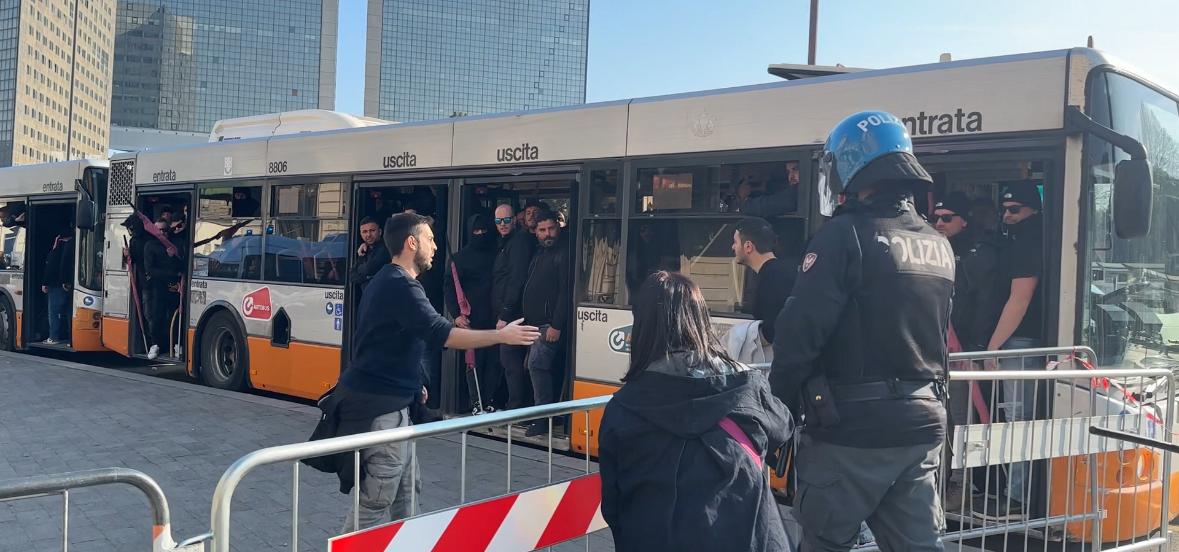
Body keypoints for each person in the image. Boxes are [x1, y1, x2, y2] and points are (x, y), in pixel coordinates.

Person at [771, 111, 953, 552]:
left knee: (825, 542)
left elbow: (801, 331)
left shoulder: (843, 236)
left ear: (850, 168)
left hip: (850, 431)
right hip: (922, 424)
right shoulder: (938, 243)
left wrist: (775, 413)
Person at [334, 212, 539, 531]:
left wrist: (417, 383)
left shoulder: (392, 281)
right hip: (381, 409)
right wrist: (501, 336)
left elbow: (392, 340)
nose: (435, 247)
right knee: (377, 500)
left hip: (395, 404)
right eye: (429, 239)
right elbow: (442, 333)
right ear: (411, 242)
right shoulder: (399, 284)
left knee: (406, 492)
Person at [599, 271, 793, 552]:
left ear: (642, 327)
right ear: (701, 320)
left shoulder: (623, 407)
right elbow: (782, 427)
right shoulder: (747, 385)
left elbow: (614, 503)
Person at [974, 183, 1044, 521]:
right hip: (1023, 341)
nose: (1006, 216)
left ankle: (1016, 500)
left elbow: (1020, 298)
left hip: (1020, 342)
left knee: (1018, 421)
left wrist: (993, 346)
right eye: (1004, 210)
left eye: (1014, 209)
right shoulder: (1030, 238)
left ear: (1033, 210)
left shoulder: (1027, 242)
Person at [513, 211, 570, 435]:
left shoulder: (562, 254)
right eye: (542, 230)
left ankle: (542, 420)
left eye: (551, 229)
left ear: (558, 228)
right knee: (534, 367)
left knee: (537, 366)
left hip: (549, 326)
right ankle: (540, 415)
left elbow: (566, 292)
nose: (548, 234)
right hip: (534, 325)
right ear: (535, 232)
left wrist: (556, 325)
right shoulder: (539, 253)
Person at [443, 214, 502, 414]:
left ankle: (490, 399)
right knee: (473, 361)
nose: (480, 235)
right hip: (471, 319)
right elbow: (449, 288)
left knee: (493, 361)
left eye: (484, 231)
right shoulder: (459, 259)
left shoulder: (497, 254)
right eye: (476, 231)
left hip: (495, 317)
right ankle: (476, 402)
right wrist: (456, 315)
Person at [932, 193, 1001, 352]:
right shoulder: (932, 249)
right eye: (935, 218)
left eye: (947, 218)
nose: (939, 223)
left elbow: (985, 305)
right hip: (938, 342)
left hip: (966, 346)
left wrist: (977, 349)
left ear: (964, 221)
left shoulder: (981, 253)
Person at [496, 201, 542, 410]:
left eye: (507, 220)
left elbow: (516, 279)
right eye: (498, 221)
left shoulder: (519, 242)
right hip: (509, 313)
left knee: (512, 363)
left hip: (514, 315)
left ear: (515, 220)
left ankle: (515, 408)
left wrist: (505, 313)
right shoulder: (508, 241)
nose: (503, 224)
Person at [733, 217, 796, 345]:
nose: (732, 247)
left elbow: (772, 332)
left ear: (748, 246)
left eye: (735, 242)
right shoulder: (783, 271)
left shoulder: (773, 278)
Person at [143, 215, 182, 360]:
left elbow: (183, 264)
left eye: (165, 230)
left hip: (174, 285)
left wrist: (173, 257)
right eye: (159, 230)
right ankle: (155, 344)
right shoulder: (150, 245)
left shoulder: (175, 243)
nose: (162, 233)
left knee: (174, 315)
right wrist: (170, 272)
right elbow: (150, 269)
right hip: (157, 285)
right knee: (157, 315)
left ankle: (176, 344)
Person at [42, 228, 75, 344]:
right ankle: (72, 338)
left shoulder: (58, 249)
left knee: (54, 312)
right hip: (71, 286)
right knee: (69, 312)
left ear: (59, 238)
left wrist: (45, 283)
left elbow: (50, 267)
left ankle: (53, 337)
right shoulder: (76, 246)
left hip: (56, 286)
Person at [349, 217, 389, 295]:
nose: (368, 235)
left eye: (372, 231)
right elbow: (352, 276)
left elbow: (368, 269)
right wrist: (361, 256)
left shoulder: (385, 249)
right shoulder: (366, 249)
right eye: (364, 232)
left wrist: (364, 275)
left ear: (380, 232)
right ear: (361, 234)